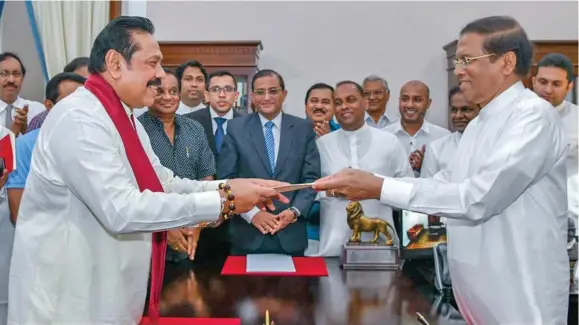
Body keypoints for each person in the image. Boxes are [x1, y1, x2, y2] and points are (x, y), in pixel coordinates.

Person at [8, 16, 288, 325]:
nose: (159, 75)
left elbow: (163, 184)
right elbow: (122, 209)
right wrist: (226, 200)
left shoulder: (123, 119)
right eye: (152, 63)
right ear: (115, 63)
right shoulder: (80, 118)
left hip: (107, 294)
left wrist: (230, 186)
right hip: (70, 302)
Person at [313, 16, 569, 325]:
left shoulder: (532, 117)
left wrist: (378, 187)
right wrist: (371, 181)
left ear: (506, 62)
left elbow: (477, 198)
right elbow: (444, 183)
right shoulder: (478, 125)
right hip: (479, 296)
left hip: (520, 295)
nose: (459, 70)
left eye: (466, 59)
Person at [218, 69, 321, 256]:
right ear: (252, 96)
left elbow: (311, 179)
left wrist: (294, 212)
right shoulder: (236, 128)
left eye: (273, 91)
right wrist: (252, 214)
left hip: (291, 233)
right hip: (247, 235)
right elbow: (226, 180)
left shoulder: (303, 129)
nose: (267, 97)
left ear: (284, 94)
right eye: (260, 92)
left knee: (295, 286)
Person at [305, 81, 411, 257]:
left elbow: (408, 188)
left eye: (351, 100)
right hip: (332, 247)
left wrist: (377, 187)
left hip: (383, 248)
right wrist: (332, 191)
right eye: (338, 103)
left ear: (365, 103)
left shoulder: (389, 142)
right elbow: (308, 190)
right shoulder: (322, 145)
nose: (344, 106)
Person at [532, 53, 578, 233]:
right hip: (525, 212)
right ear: (534, 81)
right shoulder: (513, 117)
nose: (548, 90)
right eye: (543, 82)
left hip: (570, 213)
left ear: (569, 86)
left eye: (556, 84)